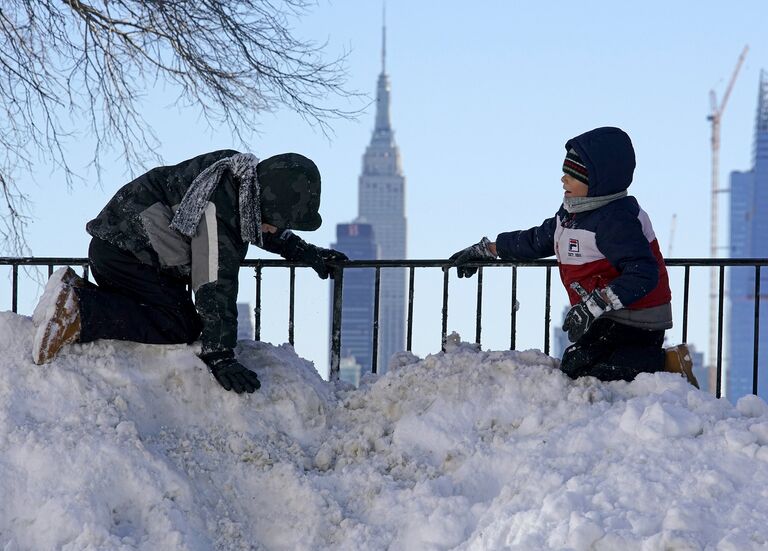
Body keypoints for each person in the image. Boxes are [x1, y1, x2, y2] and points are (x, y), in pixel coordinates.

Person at [32, 150, 348, 393]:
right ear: (265, 203)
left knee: (175, 316)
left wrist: (304, 251)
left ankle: (75, 292)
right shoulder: (218, 209)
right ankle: (79, 311)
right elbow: (213, 283)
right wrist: (219, 354)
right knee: (179, 325)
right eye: (279, 220)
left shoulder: (239, 180)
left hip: (123, 250)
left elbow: (256, 225)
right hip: (126, 255)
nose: (277, 229)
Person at [448, 127, 696, 385]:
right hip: (608, 315)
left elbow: (643, 272)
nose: (563, 180)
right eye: (565, 172)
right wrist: (489, 250)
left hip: (637, 317)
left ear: (598, 182)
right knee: (578, 362)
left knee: (579, 366)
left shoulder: (615, 220)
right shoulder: (573, 214)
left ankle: (667, 363)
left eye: (573, 175)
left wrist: (595, 304)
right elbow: (537, 240)